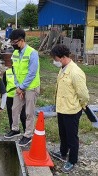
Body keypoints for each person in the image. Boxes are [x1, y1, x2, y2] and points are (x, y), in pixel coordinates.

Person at [49, 44, 89, 174]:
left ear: (63, 57)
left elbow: (83, 94)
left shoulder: (76, 72)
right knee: (63, 134)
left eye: (55, 58)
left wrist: (82, 106)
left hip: (72, 110)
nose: (54, 61)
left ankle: (72, 160)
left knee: (72, 137)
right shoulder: (63, 68)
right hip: (61, 108)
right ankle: (63, 153)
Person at [4, 29, 40, 147]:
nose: (13, 44)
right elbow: (14, 71)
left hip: (31, 87)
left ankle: (28, 135)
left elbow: (32, 73)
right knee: (14, 108)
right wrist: (18, 87)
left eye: (15, 42)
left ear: (22, 40)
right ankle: (15, 129)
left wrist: (22, 87)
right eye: (12, 42)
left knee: (29, 112)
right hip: (19, 87)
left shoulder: (32, 53)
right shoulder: (15, 53)